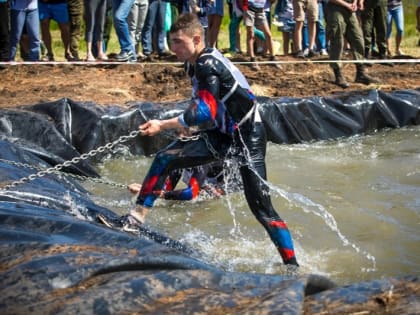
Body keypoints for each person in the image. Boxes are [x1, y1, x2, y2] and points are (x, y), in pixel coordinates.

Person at [123, 13, 299, 266]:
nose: (173, 48)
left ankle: (292, 266)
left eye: (178, 42)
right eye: (171, 42)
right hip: (222, 133)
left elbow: (205, 111)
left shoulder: (207, 64)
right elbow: (203, 103)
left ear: (196, 39)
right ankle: (134, 221)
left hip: (248, 138)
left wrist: (164, 124)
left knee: (262, 210)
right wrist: (186, 125)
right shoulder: (192, 63)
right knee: (164, 158)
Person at [325, 0, 380, 88]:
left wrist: (355, 3)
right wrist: (347, 5)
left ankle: (361, 74)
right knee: (337, 41)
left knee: (358, 39)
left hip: (350, 10)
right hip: (335, 8)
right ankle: (338, 75)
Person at [128, 162, 227, 201]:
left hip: (228, 187)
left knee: (211, 193)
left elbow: (191, 194)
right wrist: (146, 189)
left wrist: (158, 194)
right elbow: (167, 190)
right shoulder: (181, 159)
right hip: (202, 188)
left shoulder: (203, 163)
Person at [243, 0, 281, 70]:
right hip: (249, 9)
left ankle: (272, 57)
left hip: (260, 10)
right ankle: (252, 59)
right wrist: (244, 7)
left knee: (268, 34)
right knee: (251, 35)